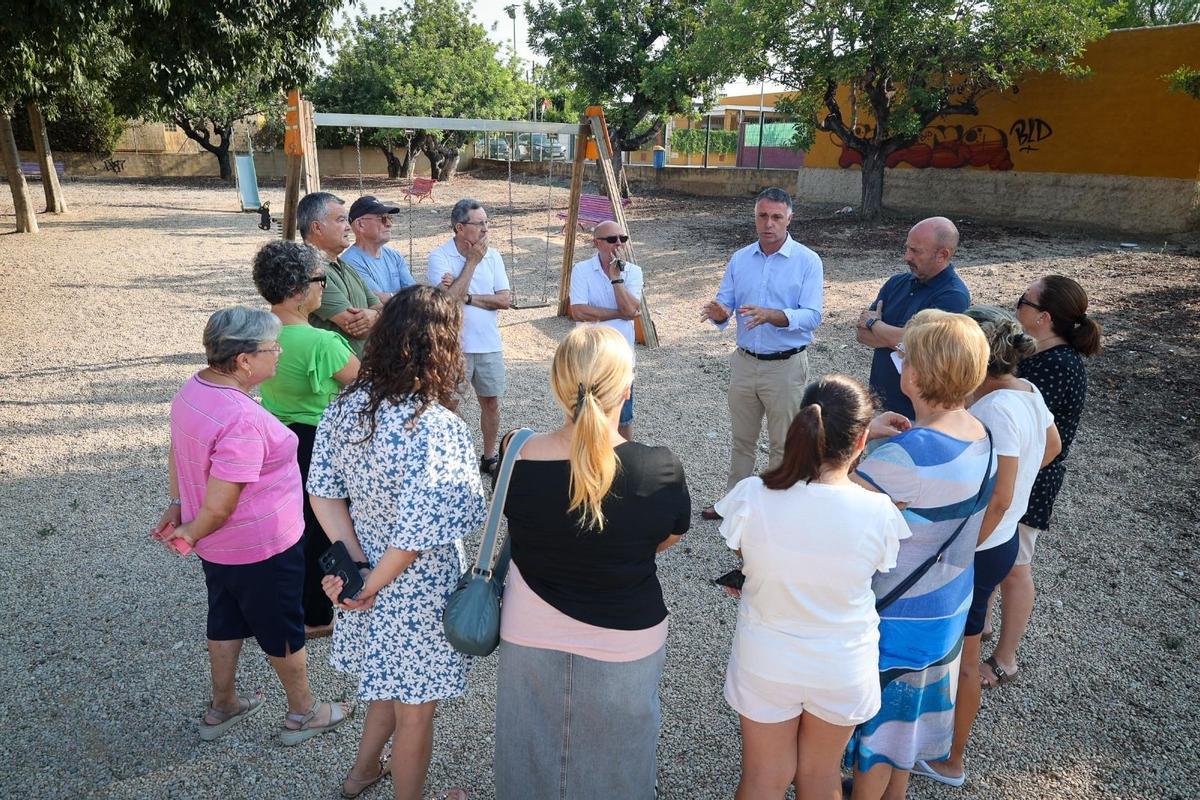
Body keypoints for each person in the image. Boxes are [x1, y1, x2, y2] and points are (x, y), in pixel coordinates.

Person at [495, 326, 690, 800]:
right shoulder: (659, 467)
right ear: (626, 389)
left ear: (557, 383)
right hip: (627, 635)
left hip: (528, 630)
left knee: (529, 759)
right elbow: (667, 537)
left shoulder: (514, 453)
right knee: (619, 765)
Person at [308, 286, 487, 800]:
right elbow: (417, 532)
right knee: (416, 711)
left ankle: (361, 774)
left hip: (364, 566)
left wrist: (357, 569)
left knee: (386, 686)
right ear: (443, 346)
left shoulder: (346, 407)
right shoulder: (436, 426)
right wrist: (373, 582)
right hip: (417, 585)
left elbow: (323, 494)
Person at [152, 306, 350, 745]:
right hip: (260, 545)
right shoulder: (241, 418)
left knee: (226, 617)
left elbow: (179, 451)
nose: (278, 353)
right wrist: (190, 531)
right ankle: (303, 712)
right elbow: (223, 502)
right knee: (282, 626)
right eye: (271, 348)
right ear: (244, 360)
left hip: (221, 548)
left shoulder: (193, 390)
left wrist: (180, 507)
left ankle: (223, 705)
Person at [713, 375, 909, 800]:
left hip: (766, 655)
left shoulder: (752, 495)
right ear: (861, 441)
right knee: (820, 776)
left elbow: (748, 555)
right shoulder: (879, 512)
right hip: (842, 663)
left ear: (799, 424)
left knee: (764, 776)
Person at [845, 309, 996, 800]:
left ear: (916, 374)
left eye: (905, 355)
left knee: (877, 738)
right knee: (903, 729)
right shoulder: (980, 432)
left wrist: (858, 439)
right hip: (948, 604)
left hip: (898, 617)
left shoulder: (906, 456)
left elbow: (833, 504)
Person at [915, 306, 1060, 788]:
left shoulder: (993, 407)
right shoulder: (1028, 390)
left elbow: (998, 497)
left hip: (980, 547)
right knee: (959, 648)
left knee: (964, 660)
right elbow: (1053, 446)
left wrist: (957, 551)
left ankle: (951, 760)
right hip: (1003, 541)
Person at [979, 276, 1102, 688]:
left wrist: (1018, 478)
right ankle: (985, 624)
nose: (1017, 306)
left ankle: (1006, 660)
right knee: (999, 557)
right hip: (1022, 480)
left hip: (1030, 484)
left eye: (1023, 300)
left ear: (1044, 317)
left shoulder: (1057, 366)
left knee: (1016, 567)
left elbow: (1048, 444)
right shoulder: (1042, 357)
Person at [252, 240, 360, 639]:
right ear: (298, 290)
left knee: (290, 521)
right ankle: (316, 614)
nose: (323, 288)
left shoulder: (256, 333)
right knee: (321, 525)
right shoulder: (322, 343)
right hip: (318, 439)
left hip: (277, 435)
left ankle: (286, 599)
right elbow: (366, 383)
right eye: (320, 281)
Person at [700, 187, 824, 520]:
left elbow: (813, 315)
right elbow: (725, 302)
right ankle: (734, 503)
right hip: (744, 362)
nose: (768, 224)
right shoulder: (740, 259)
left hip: (786, 366)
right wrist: (719, 313)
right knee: (742, 440)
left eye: (776, 217)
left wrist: (774, 315)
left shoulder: (807, 261)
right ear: (754, 217)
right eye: (762, 216)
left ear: (789, 219)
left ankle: (773, 510)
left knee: (783, 443)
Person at [428, 198, 513, 475]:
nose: (486, 229)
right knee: (448, 403)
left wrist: (468, 296)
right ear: (460, 228)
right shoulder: (440, 256)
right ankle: (455, 456)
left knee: (491, 402)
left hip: (489, 344)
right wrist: (473, 262)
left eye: (487, 222)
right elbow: (447, 301)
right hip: (453, 346)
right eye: (479, 224)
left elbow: (505, 300)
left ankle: (489, 456)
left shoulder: (495, 256)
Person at [856, 217, 970, 420]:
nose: (906, 257)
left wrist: (875, 324)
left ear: (943, 255)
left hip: (920, 413)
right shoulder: (895, 283)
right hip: (880, 406)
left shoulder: (954, 295)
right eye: (907, 248)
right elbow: (862, 335)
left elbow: (925, 346)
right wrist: (904, 339)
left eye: (916, 251)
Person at [568, 220, 643, 440]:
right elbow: (579, 311)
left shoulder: (633, 272)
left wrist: (616, 279)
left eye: (622, 238)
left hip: (621, 359)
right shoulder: (581, 270)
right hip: (589, 358)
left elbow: (631, 309)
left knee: (623, 418)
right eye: (612, 239)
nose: (618, 243)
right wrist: (620, 313)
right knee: (586, 418)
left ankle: (624, 460)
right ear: (596, 243)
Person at [297, 191, 383, 357]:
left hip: (362, 369)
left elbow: (378, 306)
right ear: (317, 228)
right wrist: (381, 317)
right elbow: (357, 328)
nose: (348, 227)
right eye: (341, 220)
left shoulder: (345, 266)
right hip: (335, 371)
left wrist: (375, 316)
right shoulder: (311, 271)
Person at [340, 195, 416, 303]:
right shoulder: (350, 262)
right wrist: (407, 296)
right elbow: (378, 301)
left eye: (389, 218)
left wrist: (395, 296)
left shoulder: (394, 256)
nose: (389, 224)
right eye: (382, 219)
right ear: (360, 224)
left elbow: (415, 293)